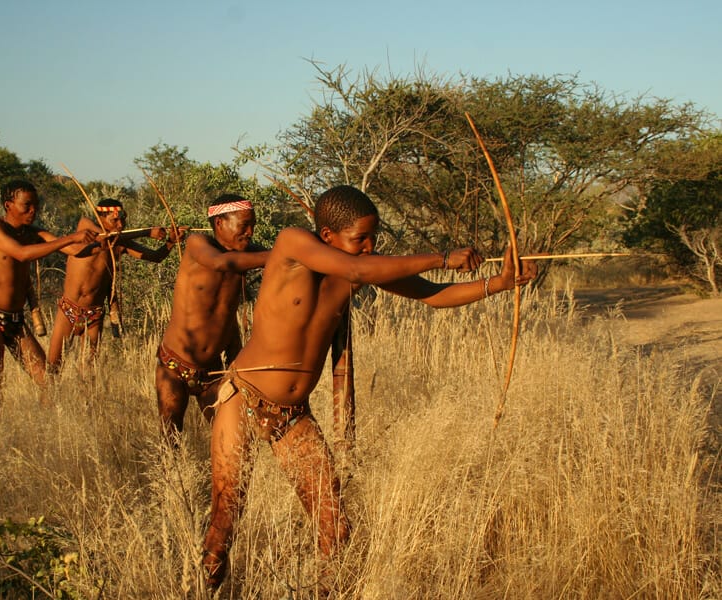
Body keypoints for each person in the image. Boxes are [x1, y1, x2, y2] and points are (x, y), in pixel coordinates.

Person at [202, 185, 538, 588]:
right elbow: (359, 271)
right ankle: (203, 587)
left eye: (373, 237)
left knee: (335, 528)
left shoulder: (359, 267)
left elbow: (432, 295)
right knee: (226, 518)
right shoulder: (293, 243)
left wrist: (498, 284)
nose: (369, 247)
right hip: (244, 398)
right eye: (360, 238)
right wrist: (442, 258)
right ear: (327, 236)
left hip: (291, 416)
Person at [0, 180, 97, 416]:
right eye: (26, 205)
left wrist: (106, 241)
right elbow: (21, 254)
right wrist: (71, 237)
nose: (33, 210)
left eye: (36, 205)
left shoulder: (33, 233)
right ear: (8, 205)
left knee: (48, 381)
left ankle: (44, 427)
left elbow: (75, 251)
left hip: (15, 320)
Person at [155, 194, 269, 444]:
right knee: (169, 436)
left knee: (231, 439)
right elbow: (219, 263)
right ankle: (171, 471)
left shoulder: (246, 253)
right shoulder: (198, 244)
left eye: (253, 226)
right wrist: (275, 256)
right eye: (244, 226)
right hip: (175, 364)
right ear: (219, 223)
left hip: (213, 369)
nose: (250, 233)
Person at [46, 198, 184, 373]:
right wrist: (147, 232)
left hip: (94, 315)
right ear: (100, 218)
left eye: (122, 220)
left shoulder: (120, 243)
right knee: (53, 367)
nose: (120, 225)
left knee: (89, 373)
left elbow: (156, 257)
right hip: (69, 310)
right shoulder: (86, 227)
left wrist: (171, 242)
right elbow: (104, 237)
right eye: (115, 220)